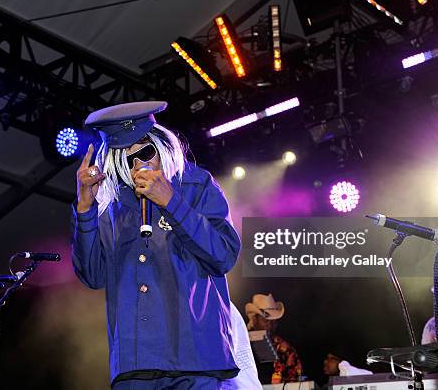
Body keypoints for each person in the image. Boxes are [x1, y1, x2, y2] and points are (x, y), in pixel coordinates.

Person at [71, 101, 241, 389]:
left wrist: (171, 202)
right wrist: (85, 207)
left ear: (160, 145)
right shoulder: (110, 204)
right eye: (126, 160)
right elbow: (92, 275)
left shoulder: (195, 185)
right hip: (136, 364)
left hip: (195, 357)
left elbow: (222, 255)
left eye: (145, 152)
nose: (139, 166)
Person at [245, 294, 303, 384]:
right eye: (266, 320)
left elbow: (295, 378)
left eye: (273, 322)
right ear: (255, 320)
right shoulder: (240, 342)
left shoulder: (285, 348)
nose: (270, 325)